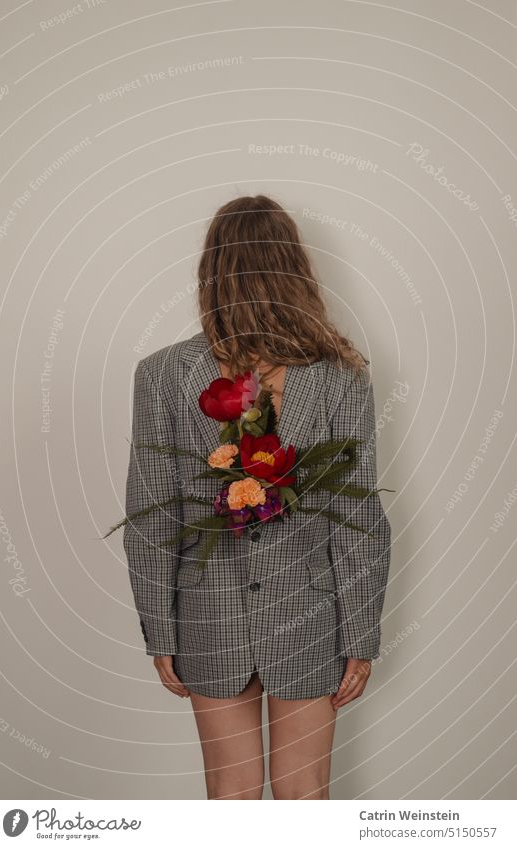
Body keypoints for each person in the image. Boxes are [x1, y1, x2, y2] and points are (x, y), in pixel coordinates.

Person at [123, 194, 392, 799]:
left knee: (238, 798)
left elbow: (151, 514)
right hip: (230, 615)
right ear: (294, 268)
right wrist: (160, 630)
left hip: (299, 617)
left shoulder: (339, 378)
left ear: (211, 269)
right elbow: (357, 516)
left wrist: (161, 631)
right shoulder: (164, 375)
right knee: (296, 798)